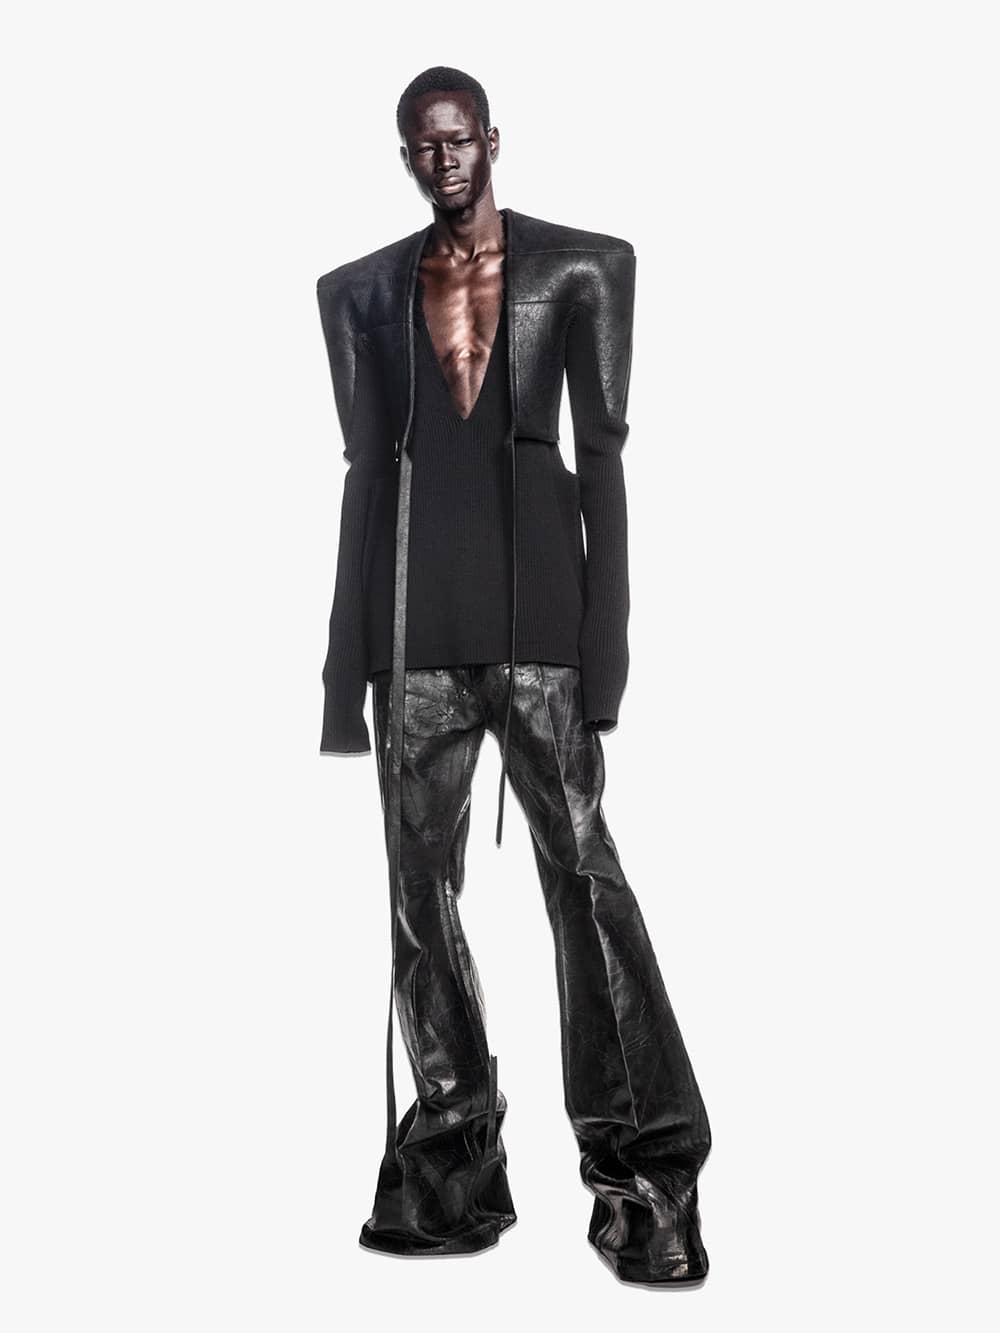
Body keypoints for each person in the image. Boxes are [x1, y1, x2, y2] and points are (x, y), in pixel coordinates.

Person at [315, 65, 713, 1285]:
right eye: (419, 146)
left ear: (491, 138)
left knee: (586, 886)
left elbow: (606, 464)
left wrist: (607, 653)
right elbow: (364, 478)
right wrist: (342, 674)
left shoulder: (585, 268)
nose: (441, 159)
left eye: (456, 139)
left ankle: (646, 1179)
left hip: (541, 627)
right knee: (417, 902)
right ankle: (450, 1167)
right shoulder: (359, 293)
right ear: (404, 157)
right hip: (410, 639)